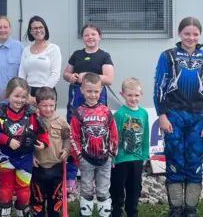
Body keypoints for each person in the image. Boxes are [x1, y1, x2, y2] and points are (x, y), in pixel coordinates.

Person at [153, 17, 203, 217]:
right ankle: (175, 209)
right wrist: (162, 116)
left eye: (195, 34)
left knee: (195, 163)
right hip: (174, 116)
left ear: (200, 35)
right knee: (174, 161)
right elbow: (159, 87)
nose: (191, 37)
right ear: (180, 34)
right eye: (187, 33)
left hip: (198, 117)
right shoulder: (168, 56)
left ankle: (190, 210)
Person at [62, 24, 114, 194]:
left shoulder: (104, 56)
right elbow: (66, 74)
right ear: (82, 38)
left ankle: (95, 178)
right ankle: (70, 177)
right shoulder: (77, 55)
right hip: (76, 98)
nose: (90, 37)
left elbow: (109, 78)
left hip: (97, 103)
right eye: (86, 35)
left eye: (93, 34)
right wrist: (72, 77)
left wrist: (87, 77)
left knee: (95, 136)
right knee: (74, 135)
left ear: (99, 36)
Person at [0, 77, 50, 216]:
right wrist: (7, 140)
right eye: (16, 96)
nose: (19, 100)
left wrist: (43, 144)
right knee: (5, 189)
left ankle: (22, 212)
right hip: (6, 157)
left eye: (23, 97)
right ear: (8, 94)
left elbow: (43, 133)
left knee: (23, 190)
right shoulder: (1, 114)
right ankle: (4, 212)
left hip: (25, 158)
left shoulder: (32, 114)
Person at [70, 73, 118, 217]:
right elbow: (74, 136)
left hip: (105, 159)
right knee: (86, 189)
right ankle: (85, 213)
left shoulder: (106, 111)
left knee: (103, 190)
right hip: (86, 158)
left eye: (96, 91)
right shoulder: (78, 113)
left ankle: (105, 213)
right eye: (89, 91)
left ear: (101, 90)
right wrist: (78, 156)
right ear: (82, 91)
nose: (92, 95)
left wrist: (111, 154)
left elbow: (114, 134)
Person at [110, 78, 149, 217]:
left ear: (141, 94)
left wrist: (145, 154)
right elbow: (114, 137)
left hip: (137, 158)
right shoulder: (119, 114)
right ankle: (116, 211)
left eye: (136, 95)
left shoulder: (143, 113)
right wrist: (113, 157)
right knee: (118, 187)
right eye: (129, 95)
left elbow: (145, 134)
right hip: (121, 158)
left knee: (135, 188)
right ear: (122, 95)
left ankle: (132, 212)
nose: (133, 99)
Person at [30, 87, 70, 217]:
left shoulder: (61, 121)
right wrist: (31, 155)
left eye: (51, 105)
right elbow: (26, 140)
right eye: (44, 106)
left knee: (56, 202)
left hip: (56, 166)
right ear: (37, 105)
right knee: (37, 201)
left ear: (56, 104)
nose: (48, 109)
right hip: (38, 167)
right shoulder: (32, 120)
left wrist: (66, 149)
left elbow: (67, 137)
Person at [18, 16, 62, 105]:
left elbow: (55, 74)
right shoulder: (26, 50)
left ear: (45, 29)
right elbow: (22, 73)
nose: (38, 30)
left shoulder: (53, 49)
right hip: (28, 94)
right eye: (34, 28)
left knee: (45, 119)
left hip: (47, 93)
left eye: (41, 27)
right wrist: (26, 94)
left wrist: (42, 95)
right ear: (30, 31)